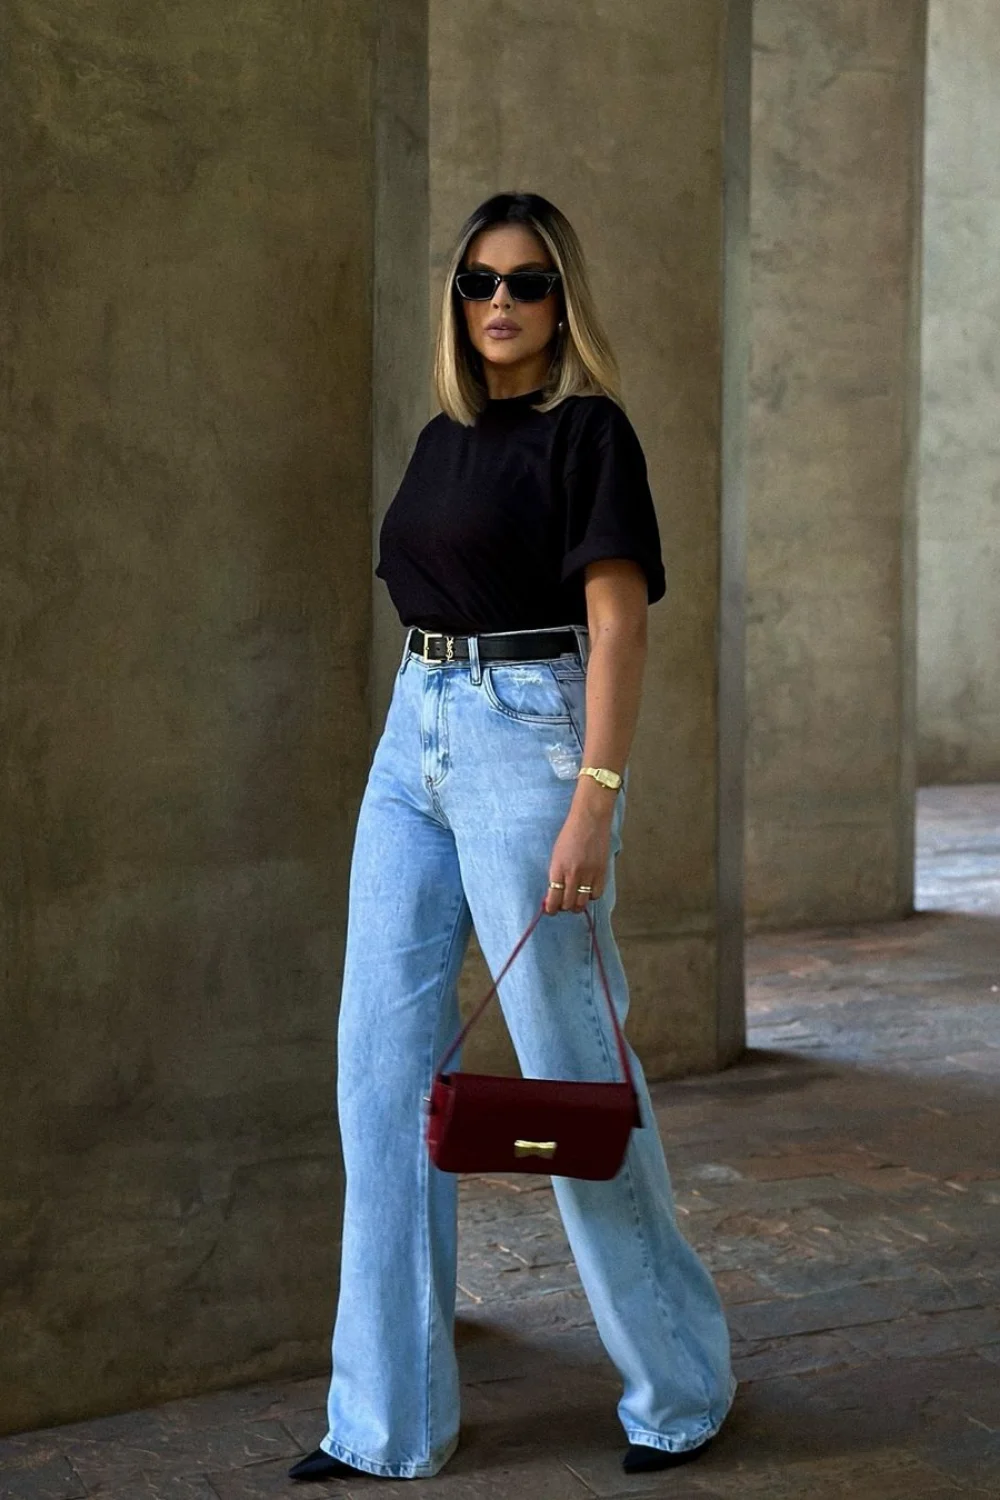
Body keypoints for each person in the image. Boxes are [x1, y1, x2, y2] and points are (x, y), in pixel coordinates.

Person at [289, 191, 736, 1484]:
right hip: (411, 735)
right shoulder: (443, 438)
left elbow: (623, 625)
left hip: (531, 736)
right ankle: (385, 1420)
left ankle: (680, 1384)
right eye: (479, 283)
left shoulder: (589, 433)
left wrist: (597, 790)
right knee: (377, 1076)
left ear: (562, 300)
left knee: (571, 1069)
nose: (500, 305)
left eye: (527, 284)